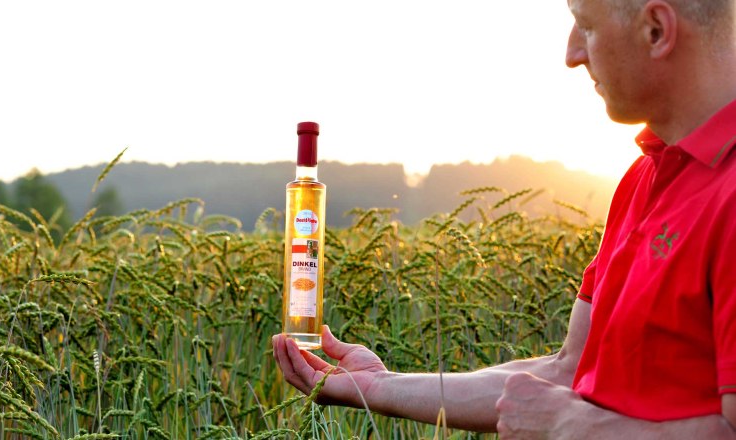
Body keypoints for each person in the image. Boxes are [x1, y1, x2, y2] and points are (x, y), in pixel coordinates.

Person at [273, 0, 736, 437]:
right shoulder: (643, 177)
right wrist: (375, 385)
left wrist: (575, 430)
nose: (572, 54)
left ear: (657, 30)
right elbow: (568, 369)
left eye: (587, 25)